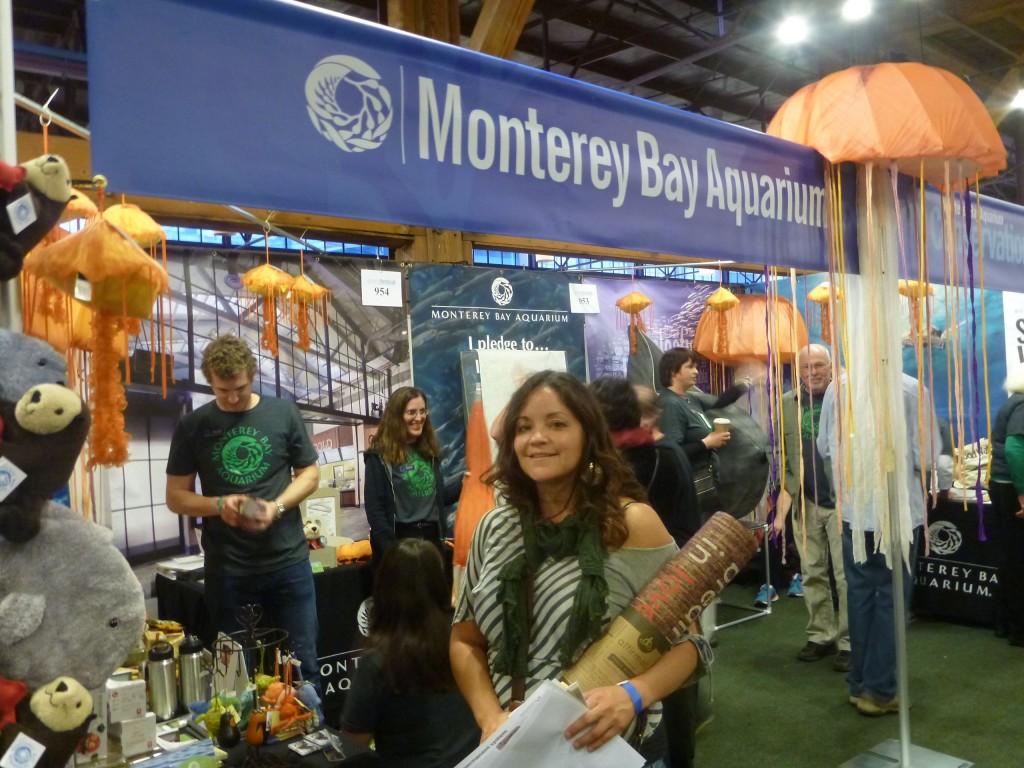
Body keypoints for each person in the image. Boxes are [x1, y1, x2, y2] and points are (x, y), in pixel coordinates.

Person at [450, 370, 704, 757]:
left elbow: (690, 643)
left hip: (610, 748)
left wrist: (633, 695)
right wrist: (489, 717)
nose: (537, 438)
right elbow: (465, 640)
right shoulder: (493, 527)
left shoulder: (631, 524)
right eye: (524, 427)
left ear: (588, 435)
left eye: (556, 424)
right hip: (518, 747)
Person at [165, 335, 321, 690]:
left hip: (288, 564)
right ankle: (249, 744)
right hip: (229, 571)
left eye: (239, 387)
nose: (232, 398)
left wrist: (276, 507)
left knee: (302, 666)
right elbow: (176, 497)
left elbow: (310, 475)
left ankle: (312, 739)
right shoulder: (194, 426)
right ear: (210, 382)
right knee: (236, 676)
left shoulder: (282, 412)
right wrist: (219, 505)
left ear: (252, 374)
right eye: (222, 391)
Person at [817, 372, 942, 716]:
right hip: (897, 512)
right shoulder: (910, 388)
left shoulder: (839, 386)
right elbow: (927, 455)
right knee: (891, 597)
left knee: (859, 594)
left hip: (854, 510)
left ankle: (861, 684)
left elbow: (824, 446)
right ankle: (881, 689)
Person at [590, 376, 699, 768]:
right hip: (659, 581)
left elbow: (690, 643)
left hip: (668, 584)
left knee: (674, 695)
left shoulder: (659, 456)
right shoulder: (617, 463)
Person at [340, 539, 480, 766]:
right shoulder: (463, 637)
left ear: (383, 587)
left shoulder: (378, 659)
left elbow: (352, 745)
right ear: (439, 582)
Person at [775, 344, 850, 671]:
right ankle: (821, 634)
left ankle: (850, 641)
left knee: (847, 577)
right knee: (812, 572)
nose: (813, 372)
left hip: (844, 502)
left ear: (832, 366)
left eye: (819, 365)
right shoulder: (787, 403)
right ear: (798, 371)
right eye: (806, 367)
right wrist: (786, 501)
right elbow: (786, 456)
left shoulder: (848, 399)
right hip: (805, 501)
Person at [363, 386, 457, 567]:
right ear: (397, 417)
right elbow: (376, 513)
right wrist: (393, 553)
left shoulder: (429, 452)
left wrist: (465, 482)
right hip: (400, 542)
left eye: (422, 411)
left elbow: (438, 497)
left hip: (432, 541)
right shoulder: (379, 457)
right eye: (411, 412)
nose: (419, 418)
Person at [657, 347, 745, 521]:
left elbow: (718, 404)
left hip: (705, 486)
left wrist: (742, 385)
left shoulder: (689, 398)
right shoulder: (670, 404)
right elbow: (672, 454)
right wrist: (707, 443)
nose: (696, 371)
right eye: (690, 367)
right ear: (673, 371)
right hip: (689, 492)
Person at [988, 365, 1024, 646]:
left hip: (1002, 486)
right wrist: (1023, 493)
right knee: (1018, 559)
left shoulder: (1014, 401)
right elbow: (1014, 449)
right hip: (1012, 489)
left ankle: (1006, 622)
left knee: (1009, 557)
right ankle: (1018, 628)